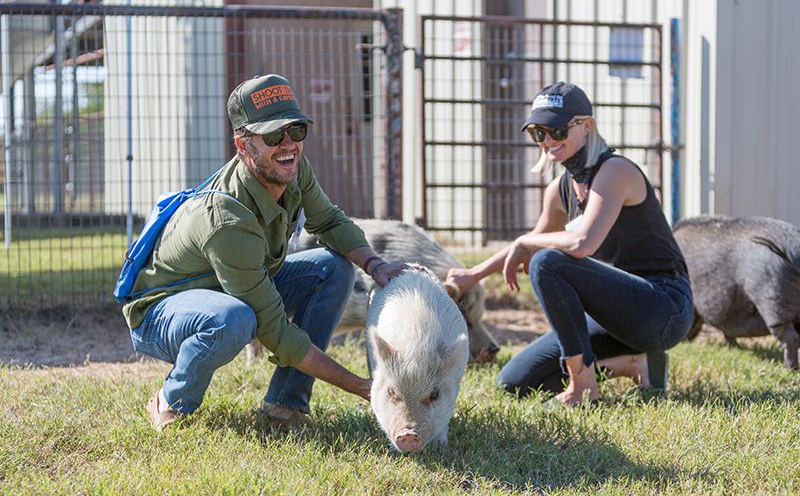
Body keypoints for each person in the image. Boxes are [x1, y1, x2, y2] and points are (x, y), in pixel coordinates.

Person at [122, 74, 406, 431]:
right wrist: (366, 389)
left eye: (296, 130)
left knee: (333, 269)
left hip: (231, 289)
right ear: (243, 147)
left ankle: (285, 407)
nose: (288, 145)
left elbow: (330, 222)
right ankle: (172, 401)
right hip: (160, 310)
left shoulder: (292, 168)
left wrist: (375, 265)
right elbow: (276, 333)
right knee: (234, 319)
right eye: (273, 136)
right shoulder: (227, 219)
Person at [446, 81, 693, 406]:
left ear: (586, 126)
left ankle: (582, 386)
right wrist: (471, 276)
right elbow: (529, 244)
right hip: (613, 314)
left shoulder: (616, 171)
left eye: (557, 129)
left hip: (662, 309)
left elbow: (581, 243)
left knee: (548, 262)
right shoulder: (560, 190)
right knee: (514, 382)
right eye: (538, 132)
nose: (547, 140)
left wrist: (527, 241)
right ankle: (635, 364)